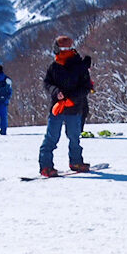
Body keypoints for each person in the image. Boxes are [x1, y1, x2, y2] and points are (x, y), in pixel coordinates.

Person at [38, 35, 93, 177]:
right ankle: (52, 165)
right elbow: (47, 83)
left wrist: (70, 97)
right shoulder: (55, 66)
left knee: (66, 137)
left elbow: (86, 87)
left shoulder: (78, 66)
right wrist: (56, 92)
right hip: (60, 107)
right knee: (61, 137)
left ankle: (52, 165)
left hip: (72, 107)